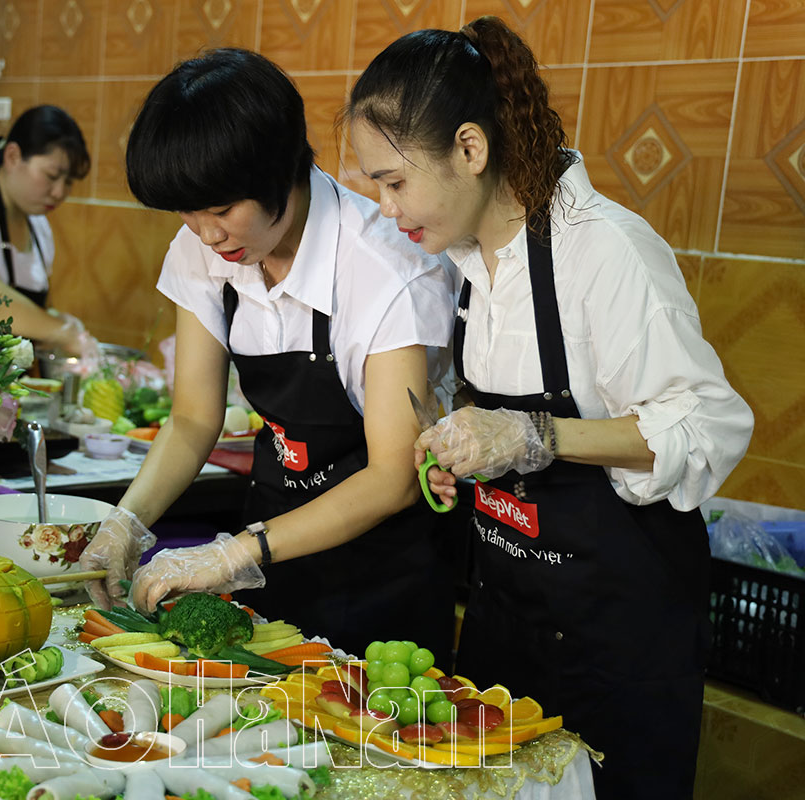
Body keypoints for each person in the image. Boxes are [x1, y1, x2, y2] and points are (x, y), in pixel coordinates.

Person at [346, 17, 753, 798]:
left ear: (470, 148)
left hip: (613, 642)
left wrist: (537, 435)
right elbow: (497, 413)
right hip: (507, 622)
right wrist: (457, 449)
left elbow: (708, 423)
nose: (389, 210)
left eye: (396, 182)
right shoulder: (466, 259)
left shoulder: (605, 251)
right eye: (376, 188)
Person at [77, 48, 457, 658]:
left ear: (283, 171)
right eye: (187, 212)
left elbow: (392, 478)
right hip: (272, 539)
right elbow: (193, 418)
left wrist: (233, 552)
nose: (205, 234)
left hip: (383, 570)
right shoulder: (205, 248)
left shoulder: (387, 269)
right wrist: (126, 524)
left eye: (223, 210)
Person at [0, 105, 94, 354]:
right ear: (12, 156)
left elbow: (33, 314)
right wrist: (63, 332)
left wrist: (60, 321)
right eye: (52, 175)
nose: (59, 192)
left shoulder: (39, 227)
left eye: (68, 182)